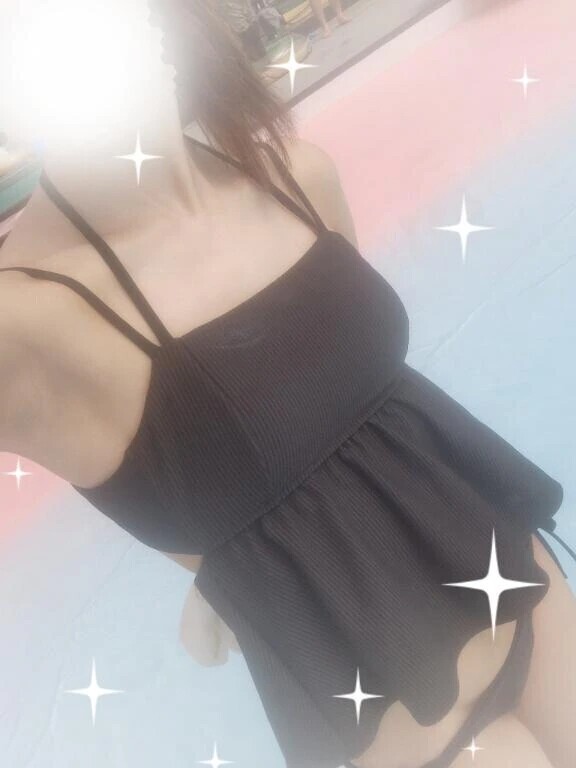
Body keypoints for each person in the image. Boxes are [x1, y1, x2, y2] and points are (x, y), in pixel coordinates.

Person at [2, 1, 576, 767]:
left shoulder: (295, 174)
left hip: (518, 576)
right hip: (399, 711)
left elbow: (342, 401)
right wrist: (221, 551)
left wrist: (222, 545)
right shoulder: (26, 323)